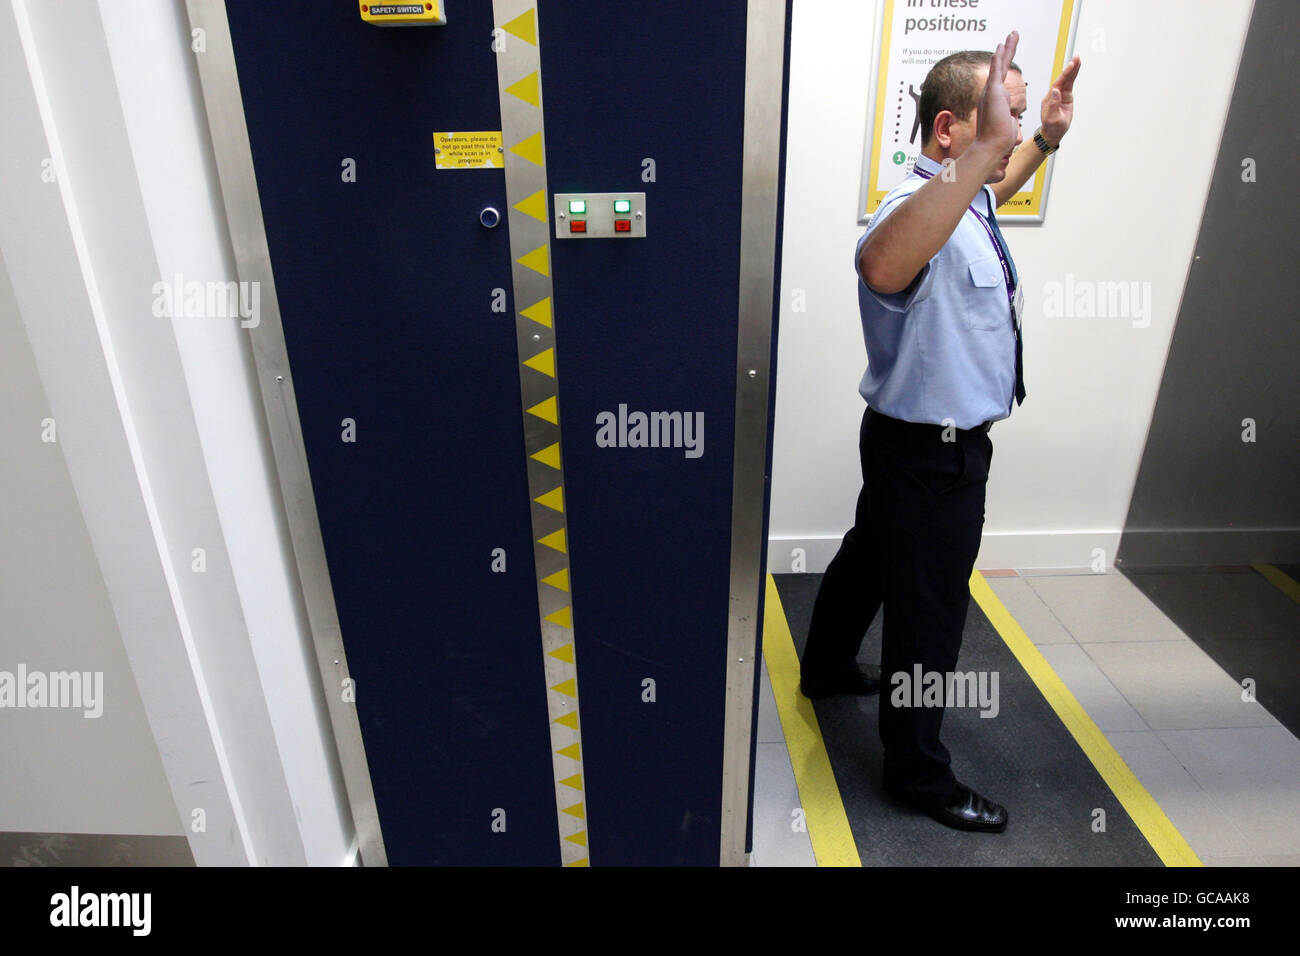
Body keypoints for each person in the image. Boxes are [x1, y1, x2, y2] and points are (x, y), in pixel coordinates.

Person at [799, 32, 1080, 833]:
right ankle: (917, 773)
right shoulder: (913, 210)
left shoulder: (971, 193)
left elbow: (1004, 177)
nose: (1012, 137)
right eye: (1002, 119)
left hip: (909, 445)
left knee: (873, 557)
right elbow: (882, 267)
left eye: (1019, 119)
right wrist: (1000, 147)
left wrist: (1045, 140)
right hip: (933, 454)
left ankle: (822, 667)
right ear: (951, 128)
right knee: (930, 619)